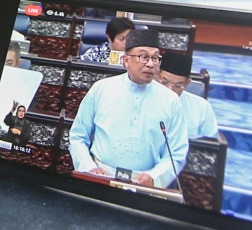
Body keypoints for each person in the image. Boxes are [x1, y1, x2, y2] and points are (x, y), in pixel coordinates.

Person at [69, 29, 188, 188]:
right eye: (144, 57)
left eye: (155, 58)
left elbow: (176, 152)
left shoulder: (171, 100)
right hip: (101, 179)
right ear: (126, 61)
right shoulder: (101, 89)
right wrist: (89, 168)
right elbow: (78, 136)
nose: (151, 64)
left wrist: (154, 177)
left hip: (145, 185)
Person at [157, 53, 219, 139]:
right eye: (165, 82)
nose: (170, 90)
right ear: (157, 77)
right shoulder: (142, 99)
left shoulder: (202, 107)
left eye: (177, 85)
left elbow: (210, 143)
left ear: (187, 83)